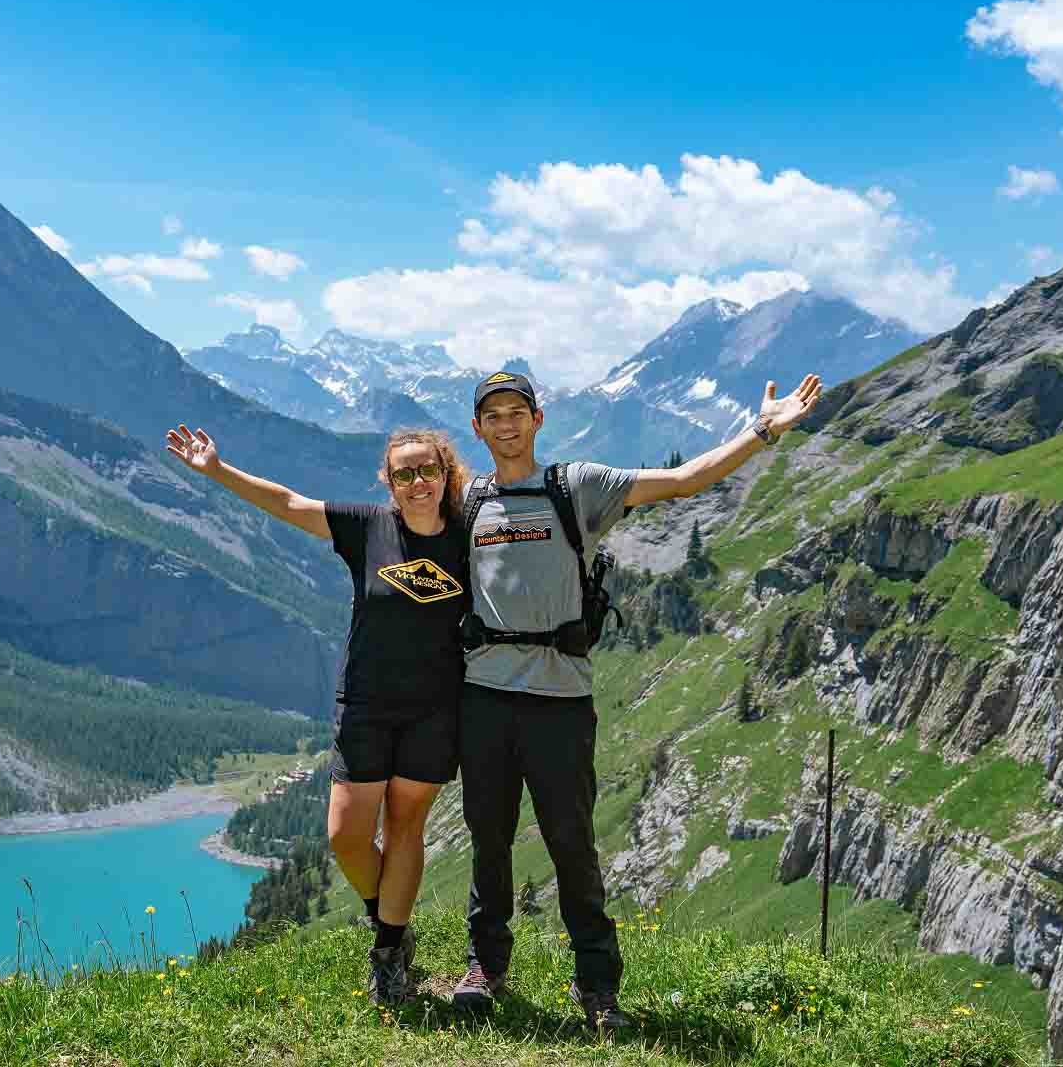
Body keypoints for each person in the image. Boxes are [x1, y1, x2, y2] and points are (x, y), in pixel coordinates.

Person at [449, 369, 823, 1031]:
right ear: (478, 429)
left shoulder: (576, 486)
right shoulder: (469, 500)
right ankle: (486, 966)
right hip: (482, 698)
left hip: (560, 699)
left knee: (571, 844)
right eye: (493, 416)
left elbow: (684, 481)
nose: (506, 425)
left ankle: (597, 987)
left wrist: (762, 432)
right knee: (489, 841)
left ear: (539, 419)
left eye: (517, 412)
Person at [165, 423, 471, 1006]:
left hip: (435, 709)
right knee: (347, 835)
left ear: (445, 474)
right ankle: (388, 922)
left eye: (427, 470)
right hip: (364, 704)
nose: (417, 482)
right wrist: (218, 470)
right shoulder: (367, 528)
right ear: (390, 481)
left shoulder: (464, 538)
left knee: (406, 827)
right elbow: (289, 503)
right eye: (404, 473)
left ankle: (389, 953)